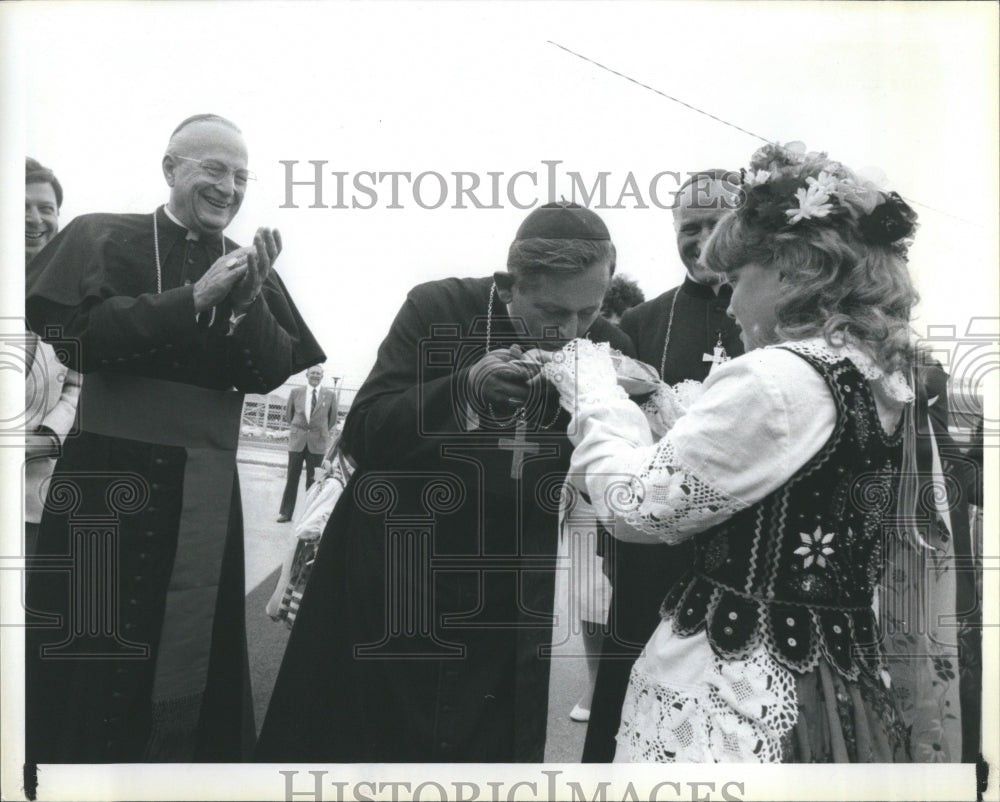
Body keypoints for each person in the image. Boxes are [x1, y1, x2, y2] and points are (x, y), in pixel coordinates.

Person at [545, 143, 924, 762]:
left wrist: (594, 392)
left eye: (737, 280)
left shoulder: (777, 377)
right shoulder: (876, 370)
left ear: (790, 270)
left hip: (738, 676)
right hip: (833, 673)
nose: (728, 302)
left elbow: (633, 505)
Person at [255, 202, 635, 762]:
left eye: (590, 311)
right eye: (553, 311)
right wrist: (460, 391)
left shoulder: (605, 349)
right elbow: (364, 429)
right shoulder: (438, 307)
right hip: (398, 565)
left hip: (509, 577)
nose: (571, 331)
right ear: (509, 286)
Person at [24, 114, 324, 763]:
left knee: (188, 658)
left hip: (204, 489)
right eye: (213, 169)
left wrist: (247, 305)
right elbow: (76, 337)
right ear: (171, 168)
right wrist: (191, 299)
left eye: (241, 176)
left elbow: (270, 369)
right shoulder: (102, 236)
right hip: (106, 478)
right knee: (89, 644)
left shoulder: (247, 265)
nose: (229, 187)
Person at [582, 169, 745, 761]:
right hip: (651, 560)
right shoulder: (644, 324)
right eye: (688, 226)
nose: (700, 238)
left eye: (716, 223)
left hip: (743, 559)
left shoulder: (779, 315)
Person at [23, 158, 82, 556]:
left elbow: (79, 385)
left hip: (34, 490)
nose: (35, 220)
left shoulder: (74, 296)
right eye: (21, 207)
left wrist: (45, 438)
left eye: (46, 208)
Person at [277, 364, 338, 522]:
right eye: (312, 373)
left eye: (318, 373)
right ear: (307, 375)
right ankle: (285, 513)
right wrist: (301, 430)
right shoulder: (296, 392)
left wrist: (318, 431)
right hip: (297, 441)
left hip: (317, 443)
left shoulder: (330, 395)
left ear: (322, 376)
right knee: (292, 478)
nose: (315, 376)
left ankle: (308, 515)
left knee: (314, 481)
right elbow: (289, 416)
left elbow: (331, 420)